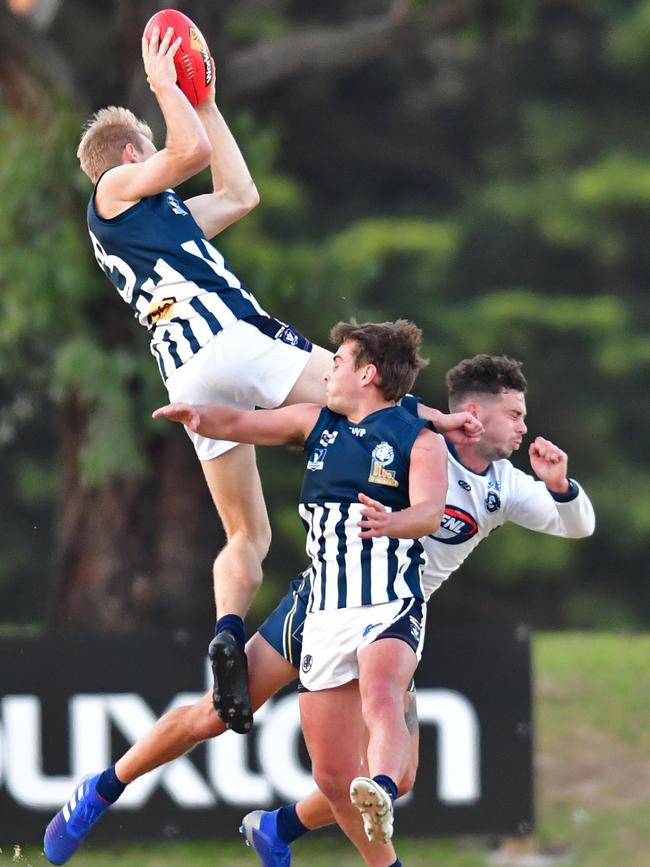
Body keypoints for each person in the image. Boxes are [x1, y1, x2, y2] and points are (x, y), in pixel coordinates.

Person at [44, 353, 594, 866]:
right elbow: (360, 402)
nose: (524, 427)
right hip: (322, 599)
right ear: (473, 413)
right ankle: (100, 790)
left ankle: (279, 828)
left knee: (392, 781)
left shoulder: (506, 486)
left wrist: (560, 485)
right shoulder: (408, 433)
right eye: (515, 414)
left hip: (392, 609)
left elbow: (578, 525)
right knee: (217, 713)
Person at [75, 22, 333, 736]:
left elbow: (240, 193)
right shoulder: (115, 188)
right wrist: (166, 88)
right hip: (230, 338)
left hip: (191, 376)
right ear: (132, 154)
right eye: (149, 150)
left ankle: (226, 633)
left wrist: (208, 102)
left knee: (248, 533)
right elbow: (186, 152)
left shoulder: (163, 221)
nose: (163, 158)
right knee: (365, 396)